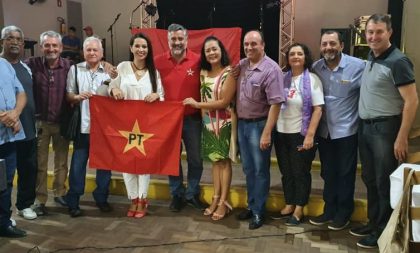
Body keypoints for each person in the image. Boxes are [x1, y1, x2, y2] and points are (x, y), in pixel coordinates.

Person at [355, 14, 418, 249]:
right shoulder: (371, 56)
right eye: (370, 32)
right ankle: (373, 223)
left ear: (389, 32)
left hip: (385, 129)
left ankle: (384, 231)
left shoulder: (398, 61)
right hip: (366, 127)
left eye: (379, 32)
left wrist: (401, 137)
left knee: (383, 181)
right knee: (370, 179)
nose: (373, 36)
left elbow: (411, 102)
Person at [309, 30, 365, 231]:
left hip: (347, 131)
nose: (328, 48)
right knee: (328, 172)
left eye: (332, 43)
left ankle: (344, 213)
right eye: (324, 44)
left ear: (341, 45)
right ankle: (329, 209)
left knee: (345, 173)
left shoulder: (359, 66)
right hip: (324, 132)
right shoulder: (316, 68)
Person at [183, 36, 238, 220]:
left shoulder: (229, 72)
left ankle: (224, 201)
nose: (212, 53)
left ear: (221, 50)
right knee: (215, 163)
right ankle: (215, 198)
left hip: (224, 123)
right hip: (208, 123)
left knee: (224, 163)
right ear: (204, 55)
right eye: (208, 51)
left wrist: (196, 105)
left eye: (214, 49)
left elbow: (224, 102)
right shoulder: (203, 73)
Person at [109, 33, 164, 218]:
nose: (141, 50)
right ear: (131, 47)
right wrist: (114, 88)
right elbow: (111, 86)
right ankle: (133, 199)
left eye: (145, 47)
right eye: (138, 46)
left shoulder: (154, 72)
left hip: (146, 126)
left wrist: (157, 96)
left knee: (143, 163)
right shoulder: (123, 67)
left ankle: (142, 199)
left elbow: (162, 96)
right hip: (124, 123)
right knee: (127, 163)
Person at [155, 23, 207, 212]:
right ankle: (176, 193)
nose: (177, 42)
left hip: (192, 119)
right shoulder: (158, 61)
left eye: (180, 39)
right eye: (173, 39)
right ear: (168, 41)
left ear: (187, 40)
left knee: (196, 160)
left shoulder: (199, 60)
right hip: (168, 121)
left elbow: (218, 70)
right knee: (171, 160)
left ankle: (192, 193)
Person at [235, 30, 284, 229]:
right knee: (248, 169)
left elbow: (276, 104)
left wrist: (266, 132)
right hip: (242, 124)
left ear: (263, 45)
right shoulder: (242, 65)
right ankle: (251, 204)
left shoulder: (272, 70)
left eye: (253, 44)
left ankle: (258, 211)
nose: (249, 48)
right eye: (246, 44)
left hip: (259, 125)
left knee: (260, 170)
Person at [272, 43, 324, 226]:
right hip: (281, 133)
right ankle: (289, 203)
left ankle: (300, 208)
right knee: (286, 171)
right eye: (292, 54)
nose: (295, 57)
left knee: (300, 171)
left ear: (305, 57)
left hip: (300, 134)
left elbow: (318, 109)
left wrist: (310, 135)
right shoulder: (282, 78)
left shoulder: (313, 79)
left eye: (299, 54)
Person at [64, 37, 113, 217]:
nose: (92, 53)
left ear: (101, 53)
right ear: (83, 52)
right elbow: (68, 95)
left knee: (104, 166)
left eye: (95, 50)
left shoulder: (109, 72)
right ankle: (74, 200)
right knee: (77, 166)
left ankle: (101, 198)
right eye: (88, 50)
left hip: (104, 129)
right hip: (82, 127)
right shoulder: (74, 70)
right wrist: (76, 97)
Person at [25, 31, 72, 215]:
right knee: (41, 163)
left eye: (54, 45)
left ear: (60, 48)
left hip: (62, 122)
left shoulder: (69, 66)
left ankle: (60, 192)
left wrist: (107, 66)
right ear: (41, 47)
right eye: (47, 45)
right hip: (40, 123)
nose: (51, 49)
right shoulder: (32, 64)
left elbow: (90, 68)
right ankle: (40, 199)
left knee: (61, 161)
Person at [1, 26, 38, 221]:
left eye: (18, 39)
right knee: (5, 175)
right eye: (9, 38)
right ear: (2, 42)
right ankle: (4, 214)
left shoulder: (26, 67)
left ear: (23, 44)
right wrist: (9, 117)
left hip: (26, 127)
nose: (14, 42)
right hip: (5, 131)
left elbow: (23, 94)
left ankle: (25, 204)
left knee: (28, 168)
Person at [0, 57, 27, 238]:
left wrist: (15, 114)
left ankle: (3, 223)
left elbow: (21, 92)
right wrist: (6, 118)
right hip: (7, 127)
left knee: (6, 183)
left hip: (9, 137)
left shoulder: (5, 64)